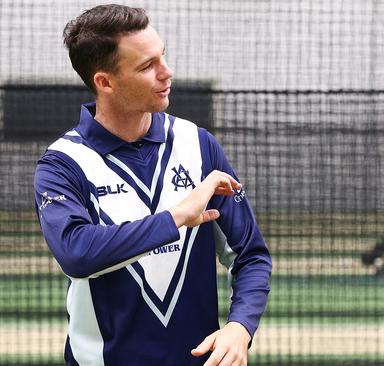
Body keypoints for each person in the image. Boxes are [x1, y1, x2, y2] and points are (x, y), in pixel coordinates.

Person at [33, 4, 271, 366]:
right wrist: (176, 217)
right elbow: (76, 253)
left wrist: (240, 327)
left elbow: (251, 256)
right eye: (147, 66)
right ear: (105, 82)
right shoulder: (62, 164)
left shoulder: (199, 144)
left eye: (163, 56)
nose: (167, 72)